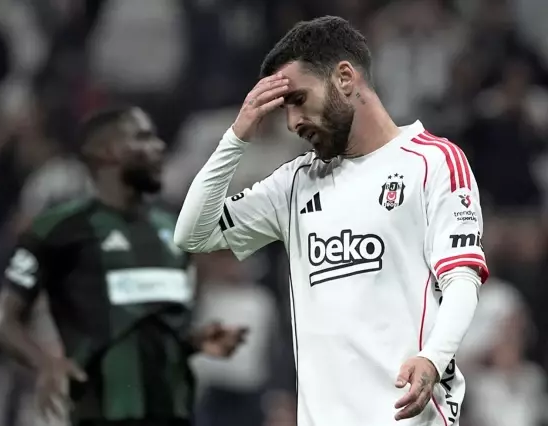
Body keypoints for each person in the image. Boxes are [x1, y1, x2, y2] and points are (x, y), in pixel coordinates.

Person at [174, 16, 487, 426]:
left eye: (298, 100)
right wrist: (236, 137)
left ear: (344, 78)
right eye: (284, 110)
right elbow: (193, 235)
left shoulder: (432, 161)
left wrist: (433, 357)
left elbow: (462, 279)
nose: (292, 123)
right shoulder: (295, 184)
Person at [0, 105, 247, 426]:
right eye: (143, 138)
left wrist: (194, 342)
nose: (159, 146)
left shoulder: (169, 229)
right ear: (106, 153)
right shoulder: (57, 229)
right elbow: (4, 320)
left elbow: (148, 328)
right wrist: (44, 363)